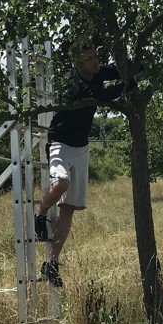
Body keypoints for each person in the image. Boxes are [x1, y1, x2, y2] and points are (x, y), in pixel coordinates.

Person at [33, 42, 125, 287]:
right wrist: (131, 82)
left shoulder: (97, 72)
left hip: (81, 147)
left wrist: (140, 64)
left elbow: (117, 70)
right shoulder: (76, 85)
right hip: (61, 142)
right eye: (89, 59)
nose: (95, 62)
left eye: (96, 56)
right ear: (78, 64)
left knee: (69, 209)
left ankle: (52, 263)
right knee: (61, 183)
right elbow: (104, 96)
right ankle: (40, 214)